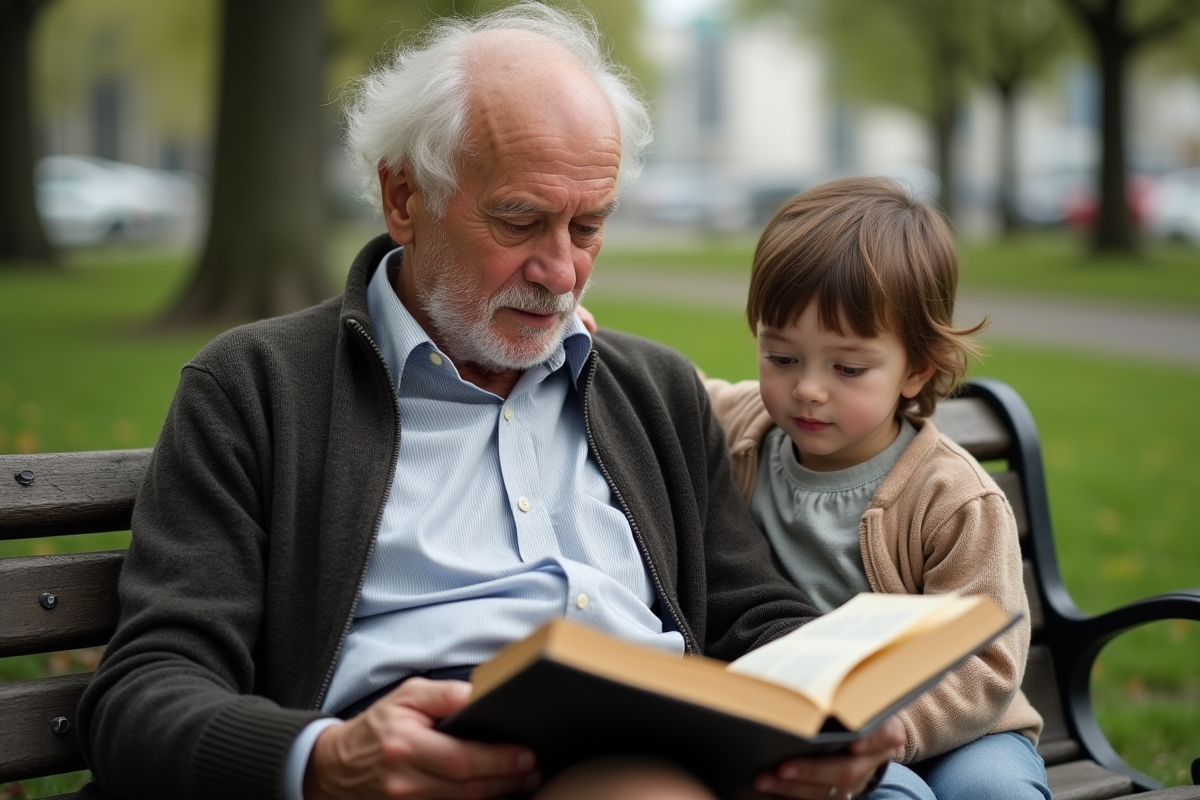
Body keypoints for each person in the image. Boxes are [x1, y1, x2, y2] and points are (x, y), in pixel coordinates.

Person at [75, 5, 904, 800]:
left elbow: (749, 613)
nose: (561, 272)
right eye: (520, 221)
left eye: (588, 228)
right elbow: (145, 690)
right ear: (404, 198)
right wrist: (324, 760)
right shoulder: (257, 392)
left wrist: (841, 716)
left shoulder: (651, 389)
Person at [702, 177, 1051, 800]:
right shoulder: (745, 430)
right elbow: (676, 388)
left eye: (848, 368)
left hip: (964, 731)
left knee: (997, 795)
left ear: (916, 368)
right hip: (820, 737)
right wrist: (586, 333)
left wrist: (896, 727)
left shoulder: (952, 497)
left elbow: (988, 663)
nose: (809, 388)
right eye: (781, 357)